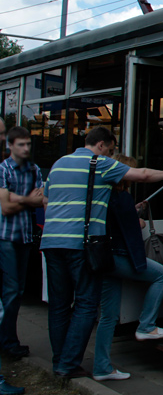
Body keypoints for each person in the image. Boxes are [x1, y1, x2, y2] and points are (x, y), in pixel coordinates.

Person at [40, 126, 163, 379]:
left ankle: (60, 362)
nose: (110, 154)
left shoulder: (59, 163)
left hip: (51, 242)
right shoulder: (99, 163)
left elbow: (46, 201)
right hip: (80, 243)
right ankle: (67, 365)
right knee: (86, 305)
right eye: (110, 149)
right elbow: (142, 174)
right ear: (101, 145)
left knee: (59, 307)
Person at [92, 154, 163, 382]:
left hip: (105, 260)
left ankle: (101, 367)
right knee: (162, 275)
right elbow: (135, 225)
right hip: (119, 258)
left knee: (108, 317)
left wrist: (134, 209)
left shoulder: (105, 194)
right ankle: (146, 325)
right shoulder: (122, 197)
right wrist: (140, 218)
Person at [0, 127, 46, 360]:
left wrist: (21, 199)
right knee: (11, 291)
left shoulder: (34, 169)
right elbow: (6, 207)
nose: (26, 148)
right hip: (6, 236)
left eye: (28, 144)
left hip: (26, 237)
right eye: (21, 144)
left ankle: (8, 339)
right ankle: (8, 343)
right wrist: (29, 199)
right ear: (10, 146)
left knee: (17, 291)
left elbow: (41, 201)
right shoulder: (2, 169)